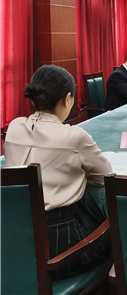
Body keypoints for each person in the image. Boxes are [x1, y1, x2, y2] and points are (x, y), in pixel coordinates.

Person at [5, 65, 112, 279]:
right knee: (106, 199)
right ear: (68, 99)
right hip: (62, 250)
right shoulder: (74, 136)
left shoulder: (14, 127)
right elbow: (105, 177)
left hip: (18, 243)